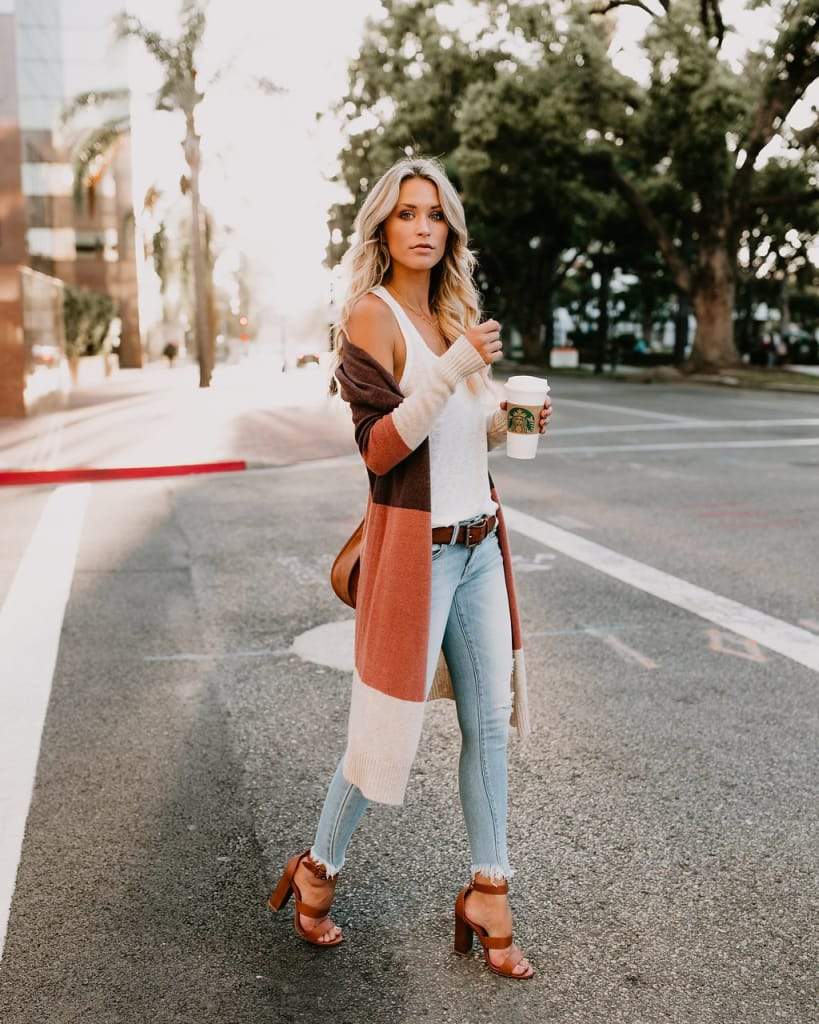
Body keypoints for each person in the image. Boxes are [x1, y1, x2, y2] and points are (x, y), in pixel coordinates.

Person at [268, 157, 552, 981]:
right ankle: (316, 872)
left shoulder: (453, 314)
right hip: (416, 557)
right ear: (382, 228)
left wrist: (504, 418)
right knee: (383, 731)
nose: (423, 226)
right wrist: (456, 368)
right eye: (406, 213)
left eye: (435, 214)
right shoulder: (372, 315)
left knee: (488, 724)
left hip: (476, 546)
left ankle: (489, 892)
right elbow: (382, 446)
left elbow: (459, 435)